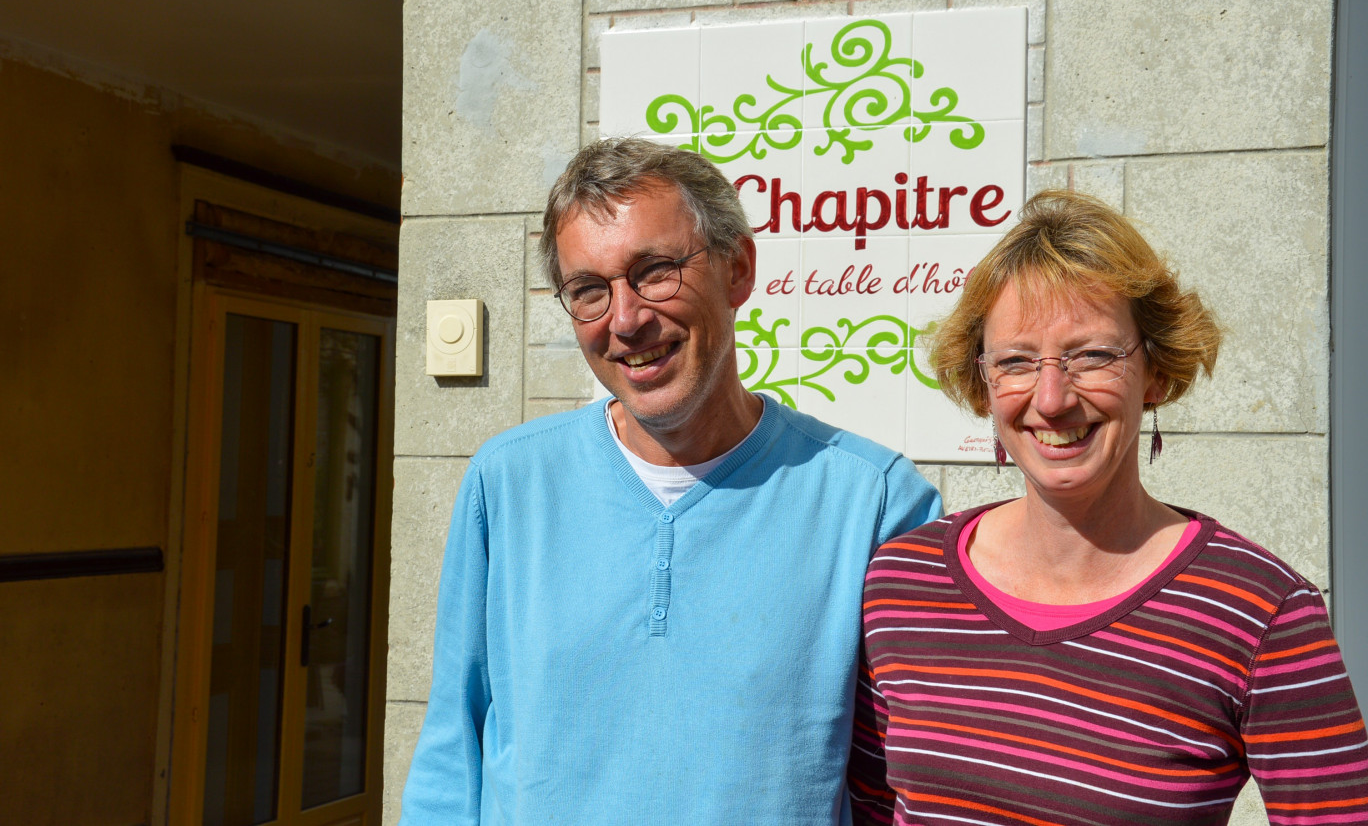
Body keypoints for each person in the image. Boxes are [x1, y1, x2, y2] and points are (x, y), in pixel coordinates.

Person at [400, 138, 943, 825]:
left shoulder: (874, 502)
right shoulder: (508, 483)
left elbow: (907, 782)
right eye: (589, 291)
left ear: (738, 270)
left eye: (655, 272)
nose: (624, 321)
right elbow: (453, 749)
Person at [849, 190, 1368, 824]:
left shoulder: (1260, 612)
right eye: (1015, 362)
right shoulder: (902, 582)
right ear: (983, 383)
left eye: (1092, 356)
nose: (1052, 397)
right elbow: (869, 806)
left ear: (1155, 371)